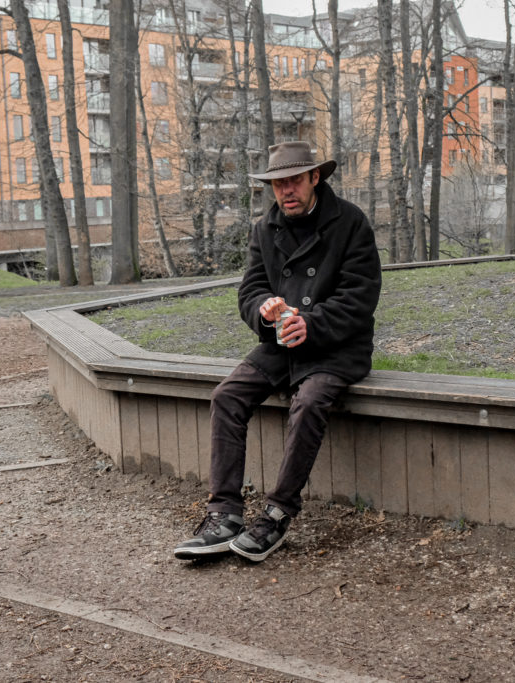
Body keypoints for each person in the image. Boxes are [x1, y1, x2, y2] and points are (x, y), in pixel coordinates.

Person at [174, 141, 382, 563]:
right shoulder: (264, 228)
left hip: (337, 347)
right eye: (278, 184)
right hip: (283, 343)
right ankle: (224, 515)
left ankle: (277, 513)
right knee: (227, 395)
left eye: (293, 181)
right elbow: (250, 289)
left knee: (308, 402)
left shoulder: (350, 223)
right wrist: (266, 312)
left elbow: (361, 294)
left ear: (314, 178)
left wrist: (313, 322)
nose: (286, 191)